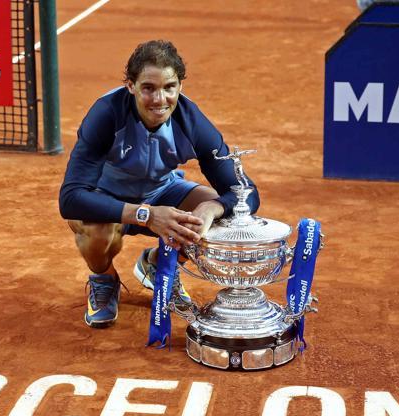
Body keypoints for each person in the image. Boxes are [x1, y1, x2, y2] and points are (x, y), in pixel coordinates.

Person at [59, 40, 259, 328]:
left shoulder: (191, 122)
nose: (160, 99)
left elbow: (244, 194)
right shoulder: (106, 115)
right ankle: (105, 278)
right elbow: (71, 199)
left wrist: (211, 209)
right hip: (108, 198)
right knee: (96, 231)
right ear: (131, 86)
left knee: (218, 216)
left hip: (163, 191)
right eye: (148, 88)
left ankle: (157, 264)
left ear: (180, 86)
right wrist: (147, 215)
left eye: (169, 87)